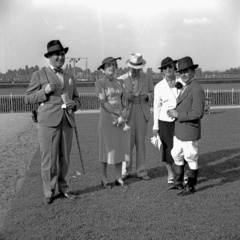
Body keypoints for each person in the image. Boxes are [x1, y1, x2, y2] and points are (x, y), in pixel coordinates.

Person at [25, 40, 81, 204]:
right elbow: (28, 98)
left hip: (67, 122)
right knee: (48, 159)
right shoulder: (39, 74)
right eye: (56, 54)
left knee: (65, 159)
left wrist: (74, 104)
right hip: (48, 123)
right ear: (49, 56)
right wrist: (44, 91)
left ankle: (64, 190)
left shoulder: (70, 77)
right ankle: (49, 192)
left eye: (62, 54)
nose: (60, 57)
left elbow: (77, 99)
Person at [167, 56, 205, 195]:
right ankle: (178, 183)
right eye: (180, 72)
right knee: (177, 154)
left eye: (186, 71)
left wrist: (178, 115)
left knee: (191, 157)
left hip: (189, 130)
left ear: (193, 71)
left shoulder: (197, 89)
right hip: (180, 130)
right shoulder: (186, 86)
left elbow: (198, 113)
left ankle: (191, 186)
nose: (182, 74)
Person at [95, 57, 130, 189]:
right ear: (103, 68)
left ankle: (118, 177)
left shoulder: (120, 82)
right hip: (107, 119)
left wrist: (125, 112)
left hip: (120, 119)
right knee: (106, 148)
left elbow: (124, 100)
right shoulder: (100, 83)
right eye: (108, 65)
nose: (112, 67)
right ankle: (104, 178)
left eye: (113, 65)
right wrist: (118, 113)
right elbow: (103, 103)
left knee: (120, 147)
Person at [119, 53, 154, 180]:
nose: (135, 70)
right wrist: (125, 97)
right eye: (133, 67)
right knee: (126, 144)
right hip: (127, 112)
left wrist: (147, 96)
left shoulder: (148, 77)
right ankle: (125, 171)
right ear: (129, 66)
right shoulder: (121, 79)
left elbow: (153, 93)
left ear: (141, 67)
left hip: (142, 111)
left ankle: (142, 171)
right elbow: (116, 97)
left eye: (138, 68)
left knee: (141, 144)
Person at [153, 57, 184, 185]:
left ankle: (183, 173)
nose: (168, 69)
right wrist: (155, 126)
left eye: (170, 66)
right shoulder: (159, 86)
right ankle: (170, 173)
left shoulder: (182, 81)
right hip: (164, 121)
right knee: (167, 148)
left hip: (180, 119)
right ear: (162, 70)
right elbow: (156, 107)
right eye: (165, 68)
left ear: (174, 67)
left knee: (182, 147)